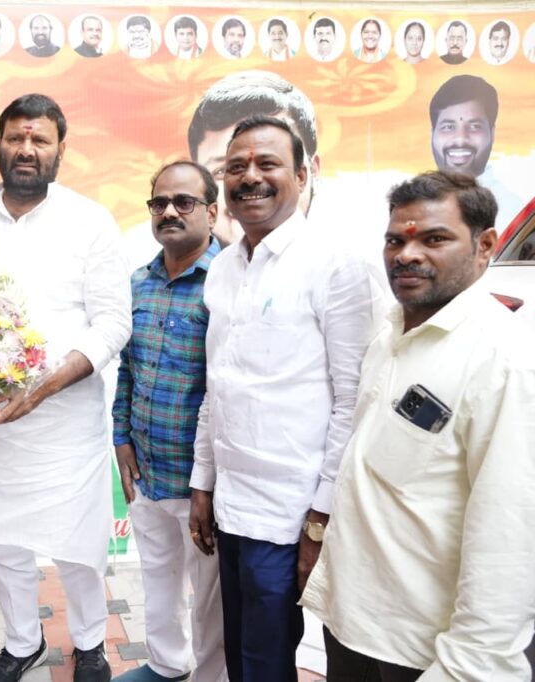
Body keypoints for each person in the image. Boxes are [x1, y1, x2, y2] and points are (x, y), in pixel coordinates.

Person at [302, 171, 535, 680]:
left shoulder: (505, 362)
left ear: (484, 246)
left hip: (425, 654)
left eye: (434, 239)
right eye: (395, 240)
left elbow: (509, 544)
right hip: (352, 627)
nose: (407, 254)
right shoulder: (389, 333)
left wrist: (466, 665)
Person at [0, 93, 131, 682]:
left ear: (60, 149)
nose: (26, 149)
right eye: (16, 137)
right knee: (3, 544)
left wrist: (44, 386)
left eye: (39, 139)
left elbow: (113, 323)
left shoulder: (90, 221)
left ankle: (91, 643)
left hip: (65, 422)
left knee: (78, 544)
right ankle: (24, 643)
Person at [188, 115, 380, 681]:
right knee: (241, 655)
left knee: (268, 662)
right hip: (231, 505)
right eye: (236, 167)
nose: (250, 177)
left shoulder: (336, 264)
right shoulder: (223, 268)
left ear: (301, 176)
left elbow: (353, 402)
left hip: (290, 513)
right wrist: (203, 483)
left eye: (267, 164)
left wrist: (319, 518)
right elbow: (217, 385)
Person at [111, 161, 226, 682]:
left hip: (203, 481)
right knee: (157, 574)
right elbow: (127, 368)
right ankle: (166, 663)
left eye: (184, 202)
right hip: (147, 468)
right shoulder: (139, 282)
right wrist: (120, 437)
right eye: (159, 203)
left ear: (212, 212)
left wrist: (206, 481)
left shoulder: (228, 282)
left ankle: (210, 675)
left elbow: (226, 390)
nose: (170, 212)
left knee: (211, 596)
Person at [186, 70, 321, 246]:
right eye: (225, 170)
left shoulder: (343, 261)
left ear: (311, 173)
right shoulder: (219, 264)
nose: (250, 179)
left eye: (269, 163)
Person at [429, 75, 526, 230]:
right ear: (432, 133)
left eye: (474, 127)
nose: (460, 139)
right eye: (448, 127)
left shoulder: (512, 214)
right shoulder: (408, 207)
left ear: (492, 133)